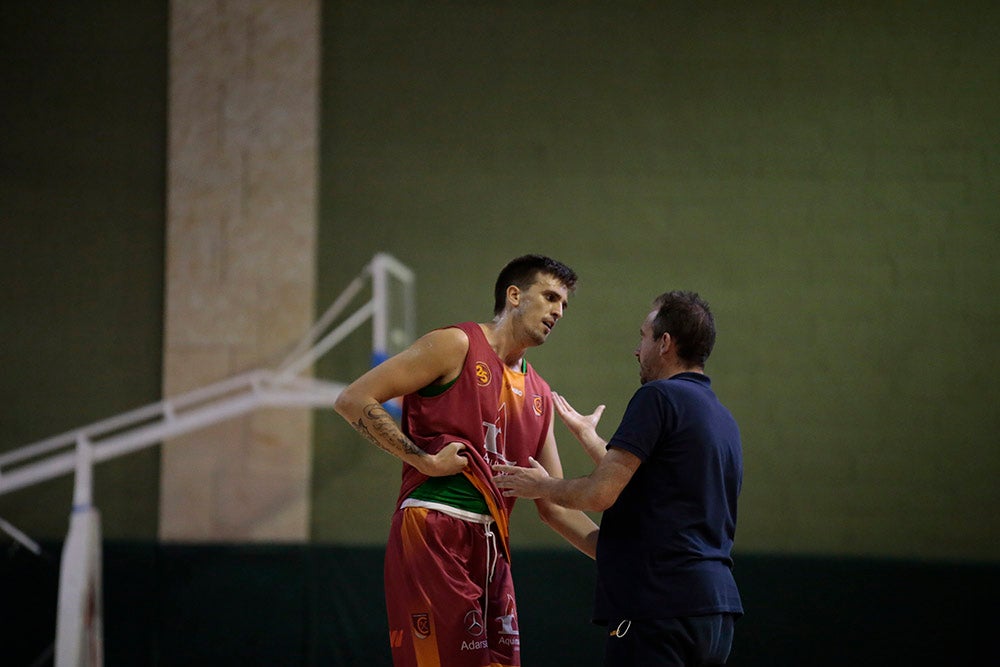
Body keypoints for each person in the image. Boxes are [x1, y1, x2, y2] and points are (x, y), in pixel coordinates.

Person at [333, 255, 600, 667]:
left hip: (493, 546)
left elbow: (555, 505)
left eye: (563, 305)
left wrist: (623, 556)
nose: (557, 311)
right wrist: (424, 461)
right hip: (435, 528)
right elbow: (353, 400)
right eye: (549, 297)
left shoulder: (541, 394)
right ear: (514, 295)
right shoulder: (456, 344)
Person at [494, 290, 743, 666]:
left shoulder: (658, 397)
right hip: (714, 612)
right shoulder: (722, 418)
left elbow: (601, 493)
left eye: (643, 336)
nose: (636, 349)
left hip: (657, 608)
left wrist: (540, 486)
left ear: (665, 343)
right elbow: (650, 482)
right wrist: (592, 440)